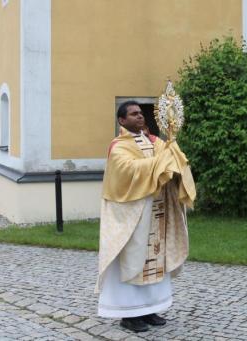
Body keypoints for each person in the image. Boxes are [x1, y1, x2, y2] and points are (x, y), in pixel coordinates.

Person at [95, 101, 196, 333]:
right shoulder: (118, 146)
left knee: (155, 260)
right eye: (133, 114)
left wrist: (173, 151)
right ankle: (129, 315)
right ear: (122, 121)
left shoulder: (156, 142)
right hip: (133, 216)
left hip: (157, 214)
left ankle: (150, 308)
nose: (140, 116)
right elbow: (127, 170)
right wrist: (162, 162)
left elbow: (176, 162)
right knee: (134, 261)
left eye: (141, 113)